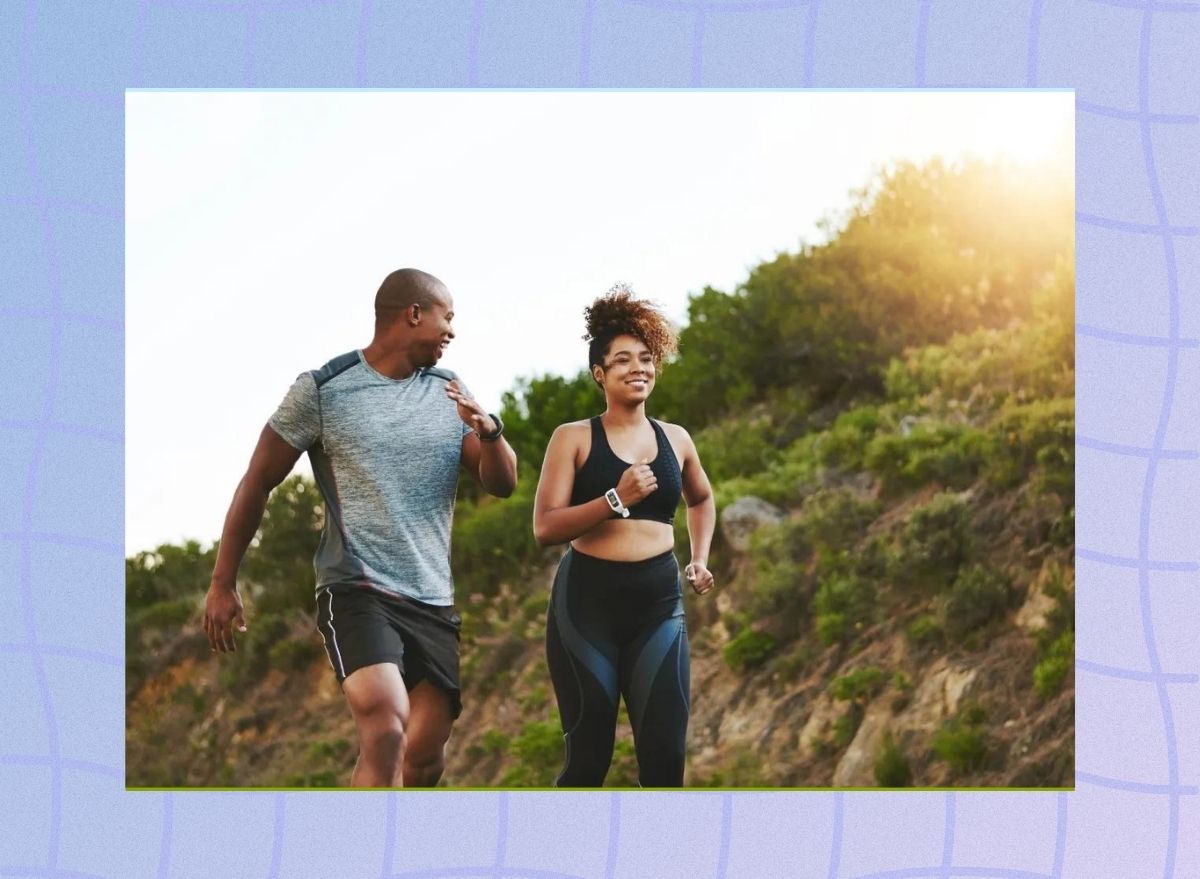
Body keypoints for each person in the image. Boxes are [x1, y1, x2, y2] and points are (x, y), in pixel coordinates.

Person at [202, 267, 518, 788]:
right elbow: (257, 482)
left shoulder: (449, 391)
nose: (453, 331)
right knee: (386, 724)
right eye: (448, 317)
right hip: (356, 589)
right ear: (414, 313)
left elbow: (501, 484)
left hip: (432, 599)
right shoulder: (323, 390)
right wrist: (222, 581)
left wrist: (490, 431)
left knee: (424, 759)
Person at [532, 283, 716, 787]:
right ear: (600, 373)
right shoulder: (572, 438)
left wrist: (699, 557)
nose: (638, 368)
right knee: (589, 761)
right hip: (587, 606)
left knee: (664, 763)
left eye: (646, 358)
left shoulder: (675, 438)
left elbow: (700, 499)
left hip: (658, 604)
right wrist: (615, 499)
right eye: (622, 360)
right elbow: (546, 526)